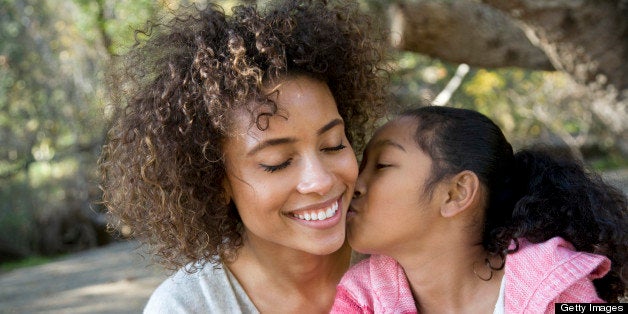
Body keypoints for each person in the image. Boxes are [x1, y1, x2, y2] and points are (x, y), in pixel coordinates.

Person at [98, 0, 388, 312]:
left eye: (333, 145)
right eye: (277, 163)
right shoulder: (188, 306)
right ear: (216, 182)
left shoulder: (406, 254)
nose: (319, 180)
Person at [331, 106, 628, 313]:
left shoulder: (556, 283)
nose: (355, 183)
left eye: (381, 165)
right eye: (362, 166)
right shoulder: (360, 297)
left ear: (456, 193)